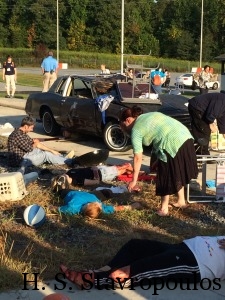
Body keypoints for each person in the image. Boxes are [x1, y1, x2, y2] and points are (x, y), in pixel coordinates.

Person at [60, 236, 225, 290]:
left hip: (196, 263)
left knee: (132, 271)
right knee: (135, 246)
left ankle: (92, 279)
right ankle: (106, 268)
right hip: (183, 247)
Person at [119, 106, 198, 216]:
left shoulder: (136, 130)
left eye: (123, 125)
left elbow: (137, 157)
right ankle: (181, 201)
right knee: (177, 172)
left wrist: (134, 181)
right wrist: (157, 160)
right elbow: (158, 133)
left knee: (165, 175)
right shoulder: (147, 115)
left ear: (127, 120)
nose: (124, 128)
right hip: (186, 137)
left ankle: (164, 209)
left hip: (171, 142)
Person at [7, 116, 74, 173]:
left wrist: (51, 150)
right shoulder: (17, 136)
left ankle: (62, 157)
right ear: (25, 126)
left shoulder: (21, 133)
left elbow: (36, 144)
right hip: (20, 161)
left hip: (24, 155)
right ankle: (69, 162)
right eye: (31, 128)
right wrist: (35, 143)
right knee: (45, 155)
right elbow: (30, 148)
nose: (32, 130)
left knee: (43, 151)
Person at [56, 188, 142, 219]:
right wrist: (132, 206)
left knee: (60, 191)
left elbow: (57, 209)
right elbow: (118, 208)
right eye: (100, 204)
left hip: (71, 193)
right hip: (92, 195)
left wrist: (51, 207)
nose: (100, 203)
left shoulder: (72, 207)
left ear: (88, 205)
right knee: (107, 192)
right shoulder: (101, 209)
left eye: (97, 204)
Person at [51, 163, 135, 190]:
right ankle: (139, 174)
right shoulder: (77, 181)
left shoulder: (70, 172)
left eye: (59, 176)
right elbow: (96, 181)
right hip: (103, 174)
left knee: (125, 168)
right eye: (62, 178)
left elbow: (82, 169)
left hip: (99, 169)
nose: (62, 176)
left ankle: (139, 173)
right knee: (127, 166)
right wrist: (95, 171)